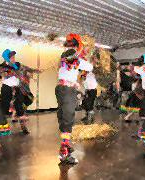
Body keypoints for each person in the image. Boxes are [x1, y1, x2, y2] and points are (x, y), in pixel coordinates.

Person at [55, 33, 93, 165]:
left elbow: (69, 72)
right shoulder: (72, 56)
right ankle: (64, 154)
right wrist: (84, 56)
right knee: (68, 120)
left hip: (61, 89)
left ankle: (66, 144)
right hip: (66, 91)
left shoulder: (65, 56)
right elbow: (89, 67)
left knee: (64, 117)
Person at [0, 49, 41, 135]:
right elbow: (2, 75)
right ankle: (2, 128)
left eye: (14, 57)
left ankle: (23, 127)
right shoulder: (2, 67)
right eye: (12, 57)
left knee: (20, 107)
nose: (14, 59)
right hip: (7, 89)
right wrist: (13, 72)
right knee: (4, 107)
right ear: (6, 58)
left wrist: (36, 70)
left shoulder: (18, 65)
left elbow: (27, 69)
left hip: (18, 89)